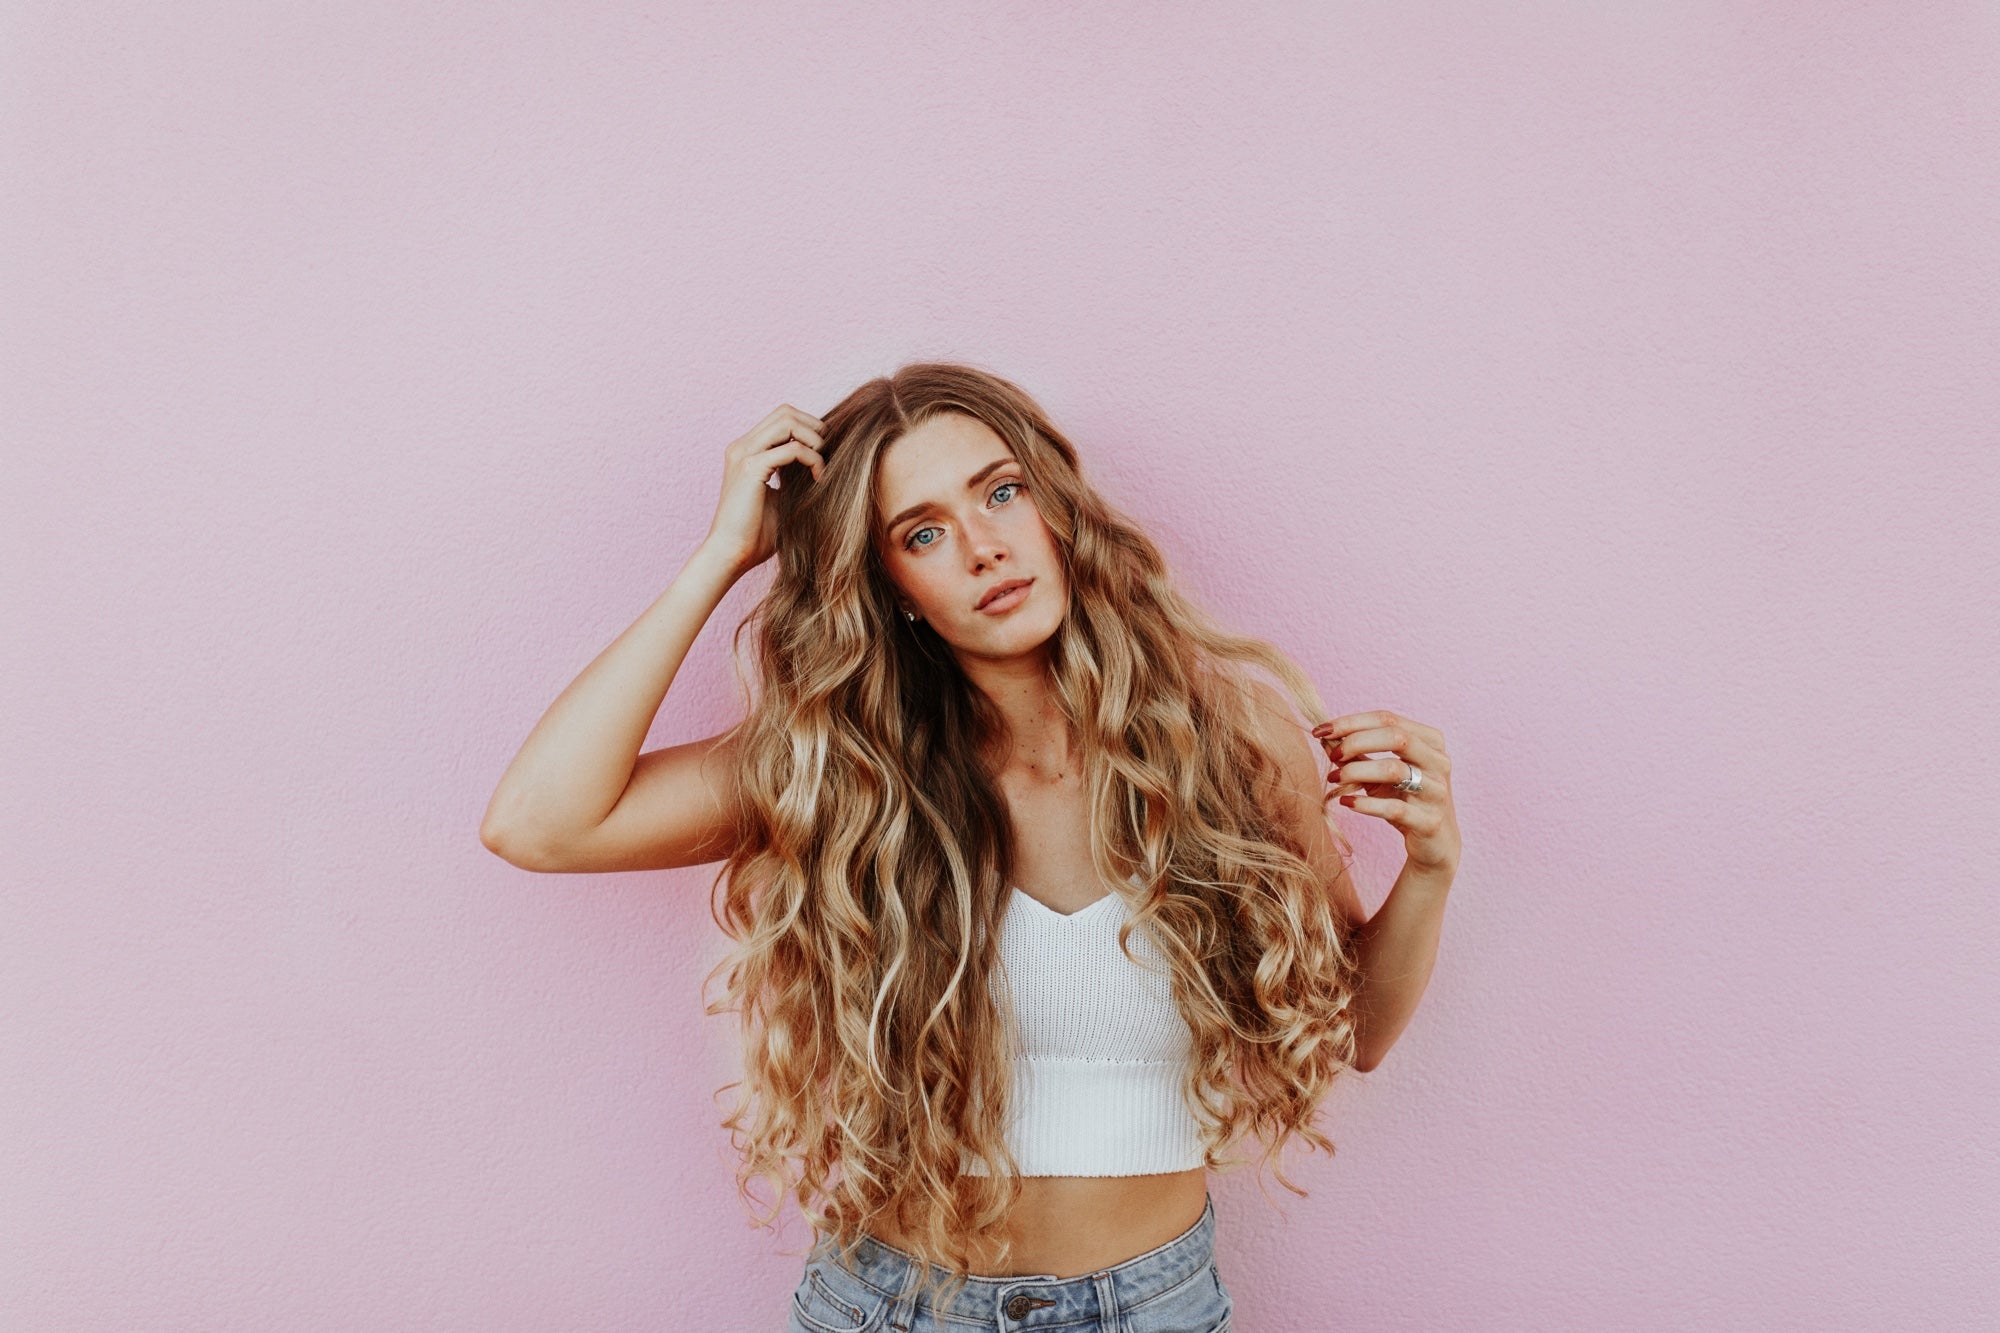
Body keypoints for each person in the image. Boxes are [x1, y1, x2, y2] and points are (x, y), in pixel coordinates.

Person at [480, 363, 1462, 1331]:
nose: (985, 547)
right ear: (891, 586)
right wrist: (725, 553)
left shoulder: (1228, 741)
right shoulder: (845, 770)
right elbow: (540, 822)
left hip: (1152, 1308)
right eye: (923, 532)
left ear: (1055, 506)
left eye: (1001, 492)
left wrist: (1427, 867)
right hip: (893, 1306)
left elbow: (1355, 1034)